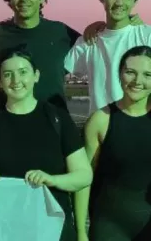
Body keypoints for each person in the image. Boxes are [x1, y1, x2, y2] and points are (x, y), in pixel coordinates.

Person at [0, 47, 92, 241]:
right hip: (4, 230)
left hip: (53, 229)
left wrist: (52, 180)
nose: (16, 81)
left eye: (23, 72)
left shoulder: (58, 119)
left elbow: (84, 175)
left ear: (36, 76)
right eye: (8, 75)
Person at [75, 46, 151, 240]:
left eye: (147, 75)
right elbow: (84, 179)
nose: (138, 81)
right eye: (130, 72)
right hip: (109, 224)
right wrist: (81, 232)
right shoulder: (101, 120)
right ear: (119, 74)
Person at [64, 0, 150, 116]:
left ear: (135, 0)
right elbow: (75, 98)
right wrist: (80, 129)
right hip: (98, 133)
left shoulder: (147, 36)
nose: (119, 2)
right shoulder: (84, 43)